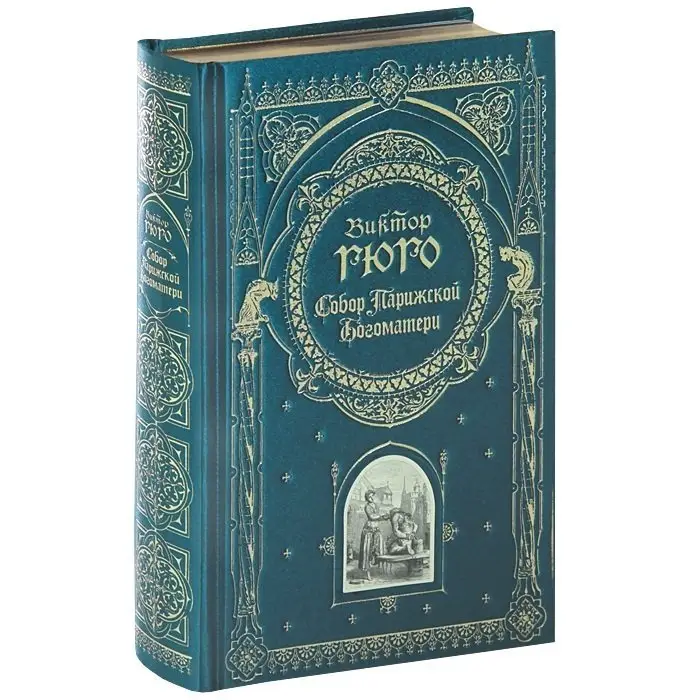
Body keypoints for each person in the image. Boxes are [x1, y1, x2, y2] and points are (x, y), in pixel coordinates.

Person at [358, 489, 389, 581]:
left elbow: (378, 515)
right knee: (367, 550)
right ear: (367, 498)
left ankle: (379, 565)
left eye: (372, 496)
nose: (371, 498)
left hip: (376, 529)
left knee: (380, 546)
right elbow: (372, 517)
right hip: (368, 530)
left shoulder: (375, 505)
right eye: (369, 496)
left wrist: (384, 516)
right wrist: (383, 517)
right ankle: (367, 573)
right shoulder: (367, 506)